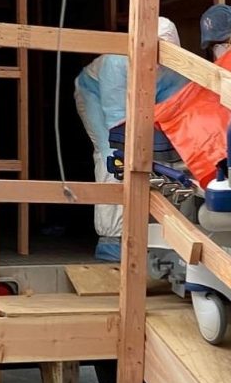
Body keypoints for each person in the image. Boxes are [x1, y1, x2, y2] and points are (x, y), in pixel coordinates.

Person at [74, 17, 186, 261]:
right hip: (95, 95)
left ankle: (155, 234)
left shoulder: (177, 67)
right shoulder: (117, 62)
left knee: (166, 156)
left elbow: (180, 109)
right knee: (112, 156)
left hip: (143, 100)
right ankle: (112, 238)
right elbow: (117, 120)